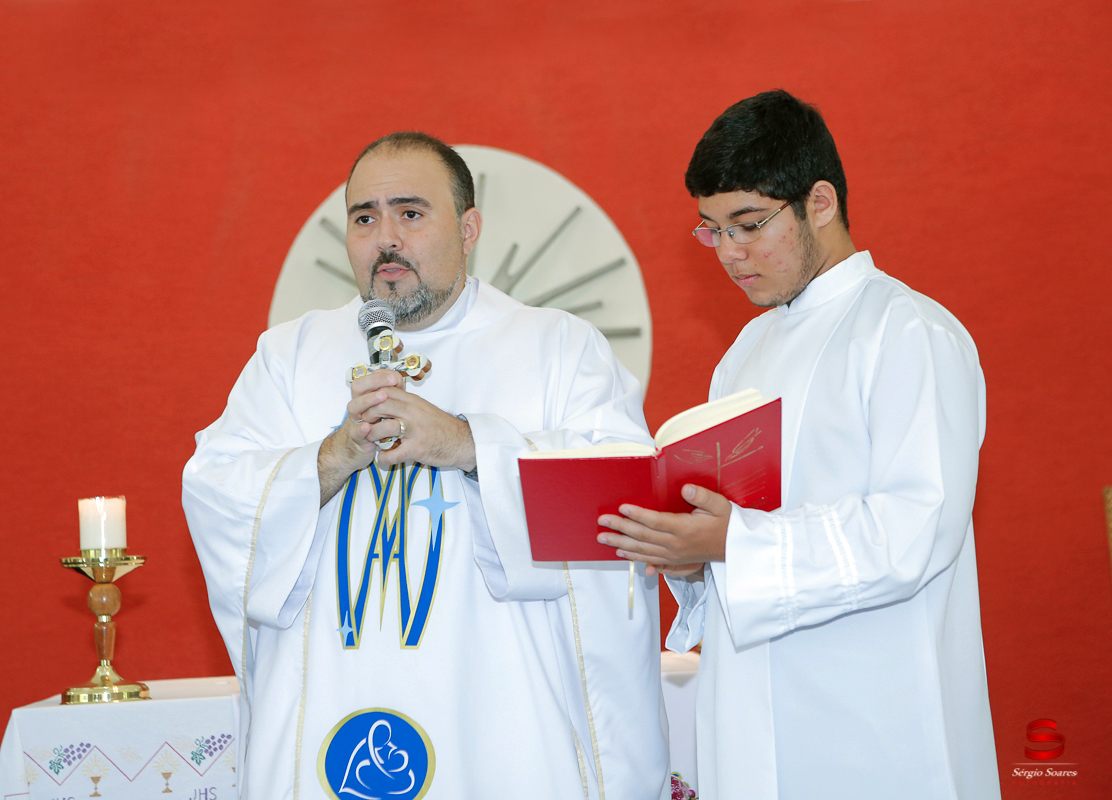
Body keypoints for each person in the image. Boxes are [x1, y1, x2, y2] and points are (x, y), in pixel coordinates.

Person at [182, 131, 668, 800]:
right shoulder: (288, 355)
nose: (386, 237)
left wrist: (469, 447)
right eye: (364, 218)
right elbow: (216, 494)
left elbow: (622, 505)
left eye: (410, 213)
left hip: (500, 714)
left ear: (468, 230)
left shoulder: (558, 347)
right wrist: (334, 455)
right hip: (331, 696)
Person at [597, 91, 1000, 799]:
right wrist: (686, 552)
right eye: (711, 230)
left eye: (748, 225)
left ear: (819, 202)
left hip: (874, 719)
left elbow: (914, 529)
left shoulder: (909, 333)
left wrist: (733, 545)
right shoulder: (747, 351)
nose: (729, 253)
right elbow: (736, 526)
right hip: (749, 711)